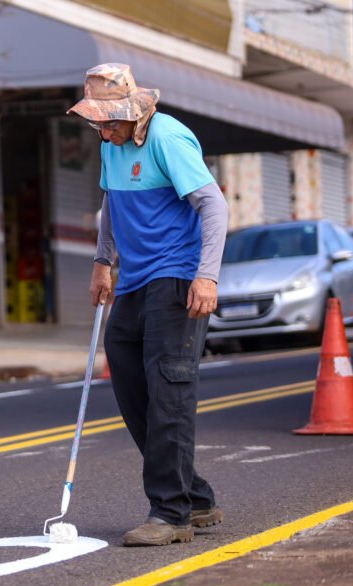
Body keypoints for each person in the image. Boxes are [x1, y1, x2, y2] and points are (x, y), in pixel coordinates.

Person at [67, 63, 229, 547]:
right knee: (133, 389)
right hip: (134, 280)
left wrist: (207, 275)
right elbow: (112, 203)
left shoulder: (167, 138)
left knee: (168, 393)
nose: (101, 128)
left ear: (130, 110)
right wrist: (102, 262)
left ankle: (170, 514)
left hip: (177, 279)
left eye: (107, 119)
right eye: (95, 120)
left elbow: (213, 205)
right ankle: (195, 497)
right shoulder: (110, 143)